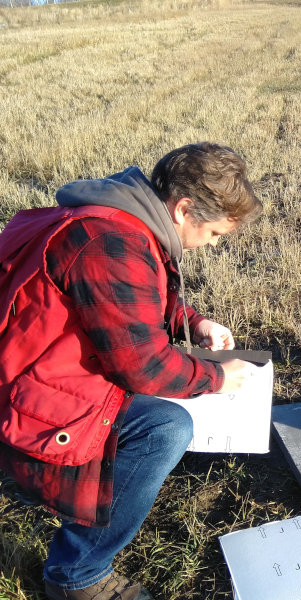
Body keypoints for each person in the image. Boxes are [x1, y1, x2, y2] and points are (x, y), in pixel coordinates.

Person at [0, 142, 262, 599]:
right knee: (163, 429)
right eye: (217, 233)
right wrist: (219, 379)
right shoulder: (112, 243)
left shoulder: (116, 217)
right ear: (183, 209)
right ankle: (77, 576)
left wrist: (192, 321)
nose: (214, 244)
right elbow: (144, 367)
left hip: (32, 373)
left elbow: (125, 297)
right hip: (26, 399)